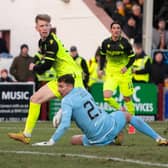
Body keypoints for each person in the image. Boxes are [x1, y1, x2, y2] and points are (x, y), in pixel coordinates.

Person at [8, 14, 83, 144]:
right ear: (36, 27)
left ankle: (113, 131)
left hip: (72, 78)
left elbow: (46, 66)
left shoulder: (51, 42)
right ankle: (26, 135)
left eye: (47, 25)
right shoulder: (42, 42)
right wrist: (37, 62)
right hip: (62, 79)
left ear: (50, 27)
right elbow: (43, 58)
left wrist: (35, 67)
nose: (44, 28)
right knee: (35, 99)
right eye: (41, 25)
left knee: (83, 114)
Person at [32, 74, 168, 146]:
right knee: (126, 116)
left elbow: (66, 124)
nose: (59, 89)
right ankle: (158, 138)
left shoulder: (66, 101)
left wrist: (52, 141)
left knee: (73, 140)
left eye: (61, 86)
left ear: (69, 86)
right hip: (109, 124)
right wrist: (63, 111)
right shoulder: (82, 90)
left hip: (96, 139)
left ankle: (111, 140)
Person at [98, 21, 136, 133]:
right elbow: (102, 56)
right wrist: (100, 69)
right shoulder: (105, 43)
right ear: (111, 30)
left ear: (120, 30)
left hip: (124, 74)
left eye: (118, 28)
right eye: (114, 28)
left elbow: (132, 58)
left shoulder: (125, 43)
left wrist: (127, 66)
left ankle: (132, 124)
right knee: (106, 96)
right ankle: (121, 109)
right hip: (111, 73)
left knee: (127, 98)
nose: (116, 30)